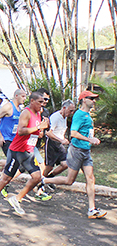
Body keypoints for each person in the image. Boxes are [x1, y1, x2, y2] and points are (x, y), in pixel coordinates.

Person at [40, 91, 107, 219]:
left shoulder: (87, 115)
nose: (94, 101)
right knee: (69, 181)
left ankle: (92, 209)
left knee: (91, 178)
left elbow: (86, 132)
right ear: (83, 100)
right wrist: (89, 140)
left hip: (86, 152)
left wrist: (93, 139)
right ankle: (44, 180)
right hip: (76, 151)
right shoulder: (79, 115)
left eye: (94, 99)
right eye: (91, 98)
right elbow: (74, 133)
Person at [0, 92, 49, 218]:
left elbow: (35, 131)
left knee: (37, 177)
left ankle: (16, 198)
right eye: (40, 102)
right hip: (17, 151)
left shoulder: (38, 114)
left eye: (43, 101)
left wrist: (40, 131)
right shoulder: (26, 112)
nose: (42, 104)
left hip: (28, 151)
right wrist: (38, 128)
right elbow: (21, 130)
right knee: (6, 179)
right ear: (32, 101)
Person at [0, 89, 26, 175]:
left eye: (25, 96)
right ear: (16, 96)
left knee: (17, 162)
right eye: (23, 96)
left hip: (14, 139)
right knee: (14, 161)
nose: (24, 98)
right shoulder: (8, 107)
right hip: (6, 139)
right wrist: (0, 136)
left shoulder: (19, 109)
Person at [42, 99, 75, 185]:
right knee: (49, 166)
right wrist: (61, 140)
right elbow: (48, 133)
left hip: (59, 144)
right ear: (64, 108)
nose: (71, 113)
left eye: (73, 111)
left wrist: (62, 139)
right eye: (70, 110)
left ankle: (48, 179)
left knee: (65, 164)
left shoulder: (65, 117)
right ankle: (40, 182)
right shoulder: (55, 117)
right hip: (51, 143)